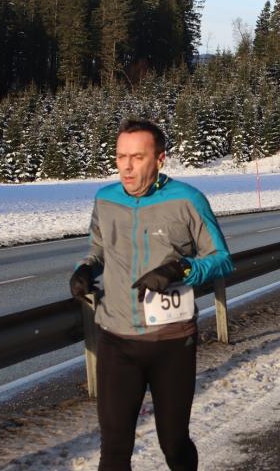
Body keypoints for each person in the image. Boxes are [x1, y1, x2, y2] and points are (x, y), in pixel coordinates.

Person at [69, 118, 233, 471]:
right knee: (113, 449)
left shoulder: (187, 200)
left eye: (137, 157)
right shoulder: (105, 199)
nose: (126, 167)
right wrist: (85, 269)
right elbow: (99, 249)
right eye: (120, 156)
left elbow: (221, 259)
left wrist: (181, 270)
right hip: (115, 338)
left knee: (173, 443)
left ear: (159, 160)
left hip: (171, 342)